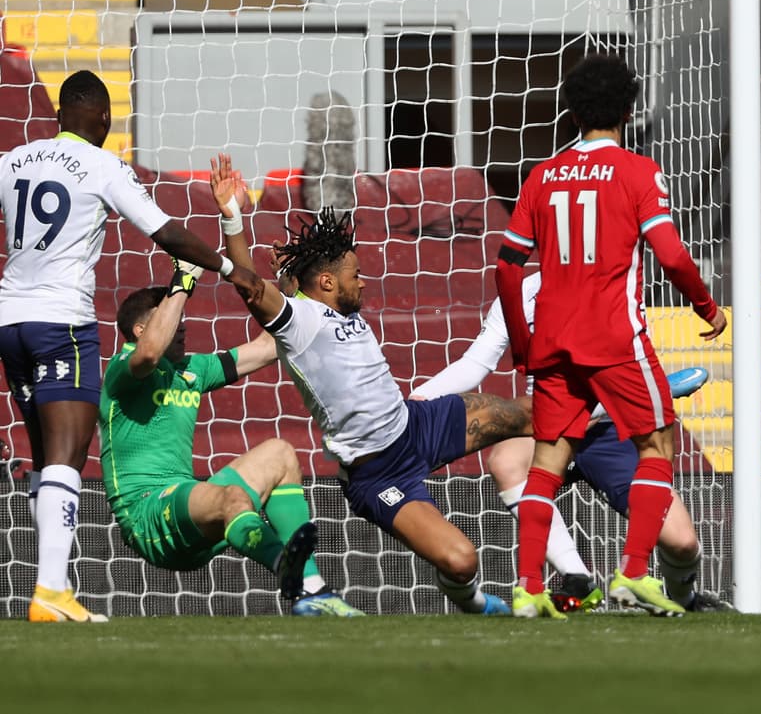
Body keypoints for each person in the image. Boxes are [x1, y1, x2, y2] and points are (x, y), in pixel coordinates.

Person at [0, 70, 263, 623]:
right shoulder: (103, 165)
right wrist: (227, 267)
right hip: (60, 322)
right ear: (102, 119)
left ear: (58, 116)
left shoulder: (14, 161)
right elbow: (167, 233)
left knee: (45, 456)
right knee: (69, 456)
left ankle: (54, 587)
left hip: (9, 320)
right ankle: (50, 590)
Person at [495, 53, 727, 618]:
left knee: (547, 462)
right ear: (628, 108)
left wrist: (524, 343)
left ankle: (528, 587)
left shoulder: (542, 175)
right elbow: (669, 252)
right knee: (658, 444)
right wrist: (706, 306)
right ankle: (633, 574)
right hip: (615, 340)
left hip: (552, 341)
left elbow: (506, 267)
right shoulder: (638, 172)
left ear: (572, 111)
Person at [229, 190, 536, 616]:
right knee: (463, 561)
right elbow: (249, 285)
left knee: (533, 414)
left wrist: (291, 265)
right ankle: (475, 603)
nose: (364, 280)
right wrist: (231, 217)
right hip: (378, 473)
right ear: (328, 282)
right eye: (356, 273)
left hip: (417, 425)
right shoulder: (299, 322)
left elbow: (286, 280)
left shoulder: (336, 304)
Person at [98, 156, 361, 616]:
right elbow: (150, 353)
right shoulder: (124, 369)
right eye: (169, 320)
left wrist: (292, 282)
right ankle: (289, 571)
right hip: (147, 514)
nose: (182, 327)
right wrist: (184, 278)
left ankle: (314, 592)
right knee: (230, 497)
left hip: (190, 513)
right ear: (141, 328)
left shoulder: (193, 371)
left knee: (280, 452)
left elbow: (265, 346)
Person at [409, 270, 734, 613]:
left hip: (610, 430)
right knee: (506, 460)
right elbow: (475, 363)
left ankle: (686, 603)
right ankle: (578, 579)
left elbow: (629, 377)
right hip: (549, 427)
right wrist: (419, 399)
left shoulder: (615, 286)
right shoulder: (522, 293)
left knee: (682, 543)